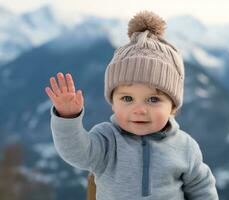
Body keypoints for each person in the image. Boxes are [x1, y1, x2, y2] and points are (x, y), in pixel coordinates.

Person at [45, 10, 219, 200]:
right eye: (127, 98)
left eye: (153, 99)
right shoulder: (107, 139)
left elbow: (202, 189)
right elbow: (76, 153)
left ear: (173, 107)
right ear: (113, 103)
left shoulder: (185, 147)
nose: (139, 109)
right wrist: (68, 118)